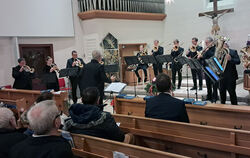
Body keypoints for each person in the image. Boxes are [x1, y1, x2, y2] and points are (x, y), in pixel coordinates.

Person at [198, 37, 218, 103]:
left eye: (207, 43)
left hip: (213, 68)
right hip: (206, 68)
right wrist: (200, 57)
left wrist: (204, 54)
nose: (206, 44)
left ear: (211, 42)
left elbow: (212, 55)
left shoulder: (214, 48)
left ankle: (215, 97)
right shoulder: (207, 49)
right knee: (208, 83)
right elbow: (204, 58)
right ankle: (209, 96)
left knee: (214, 83)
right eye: (206, 43)